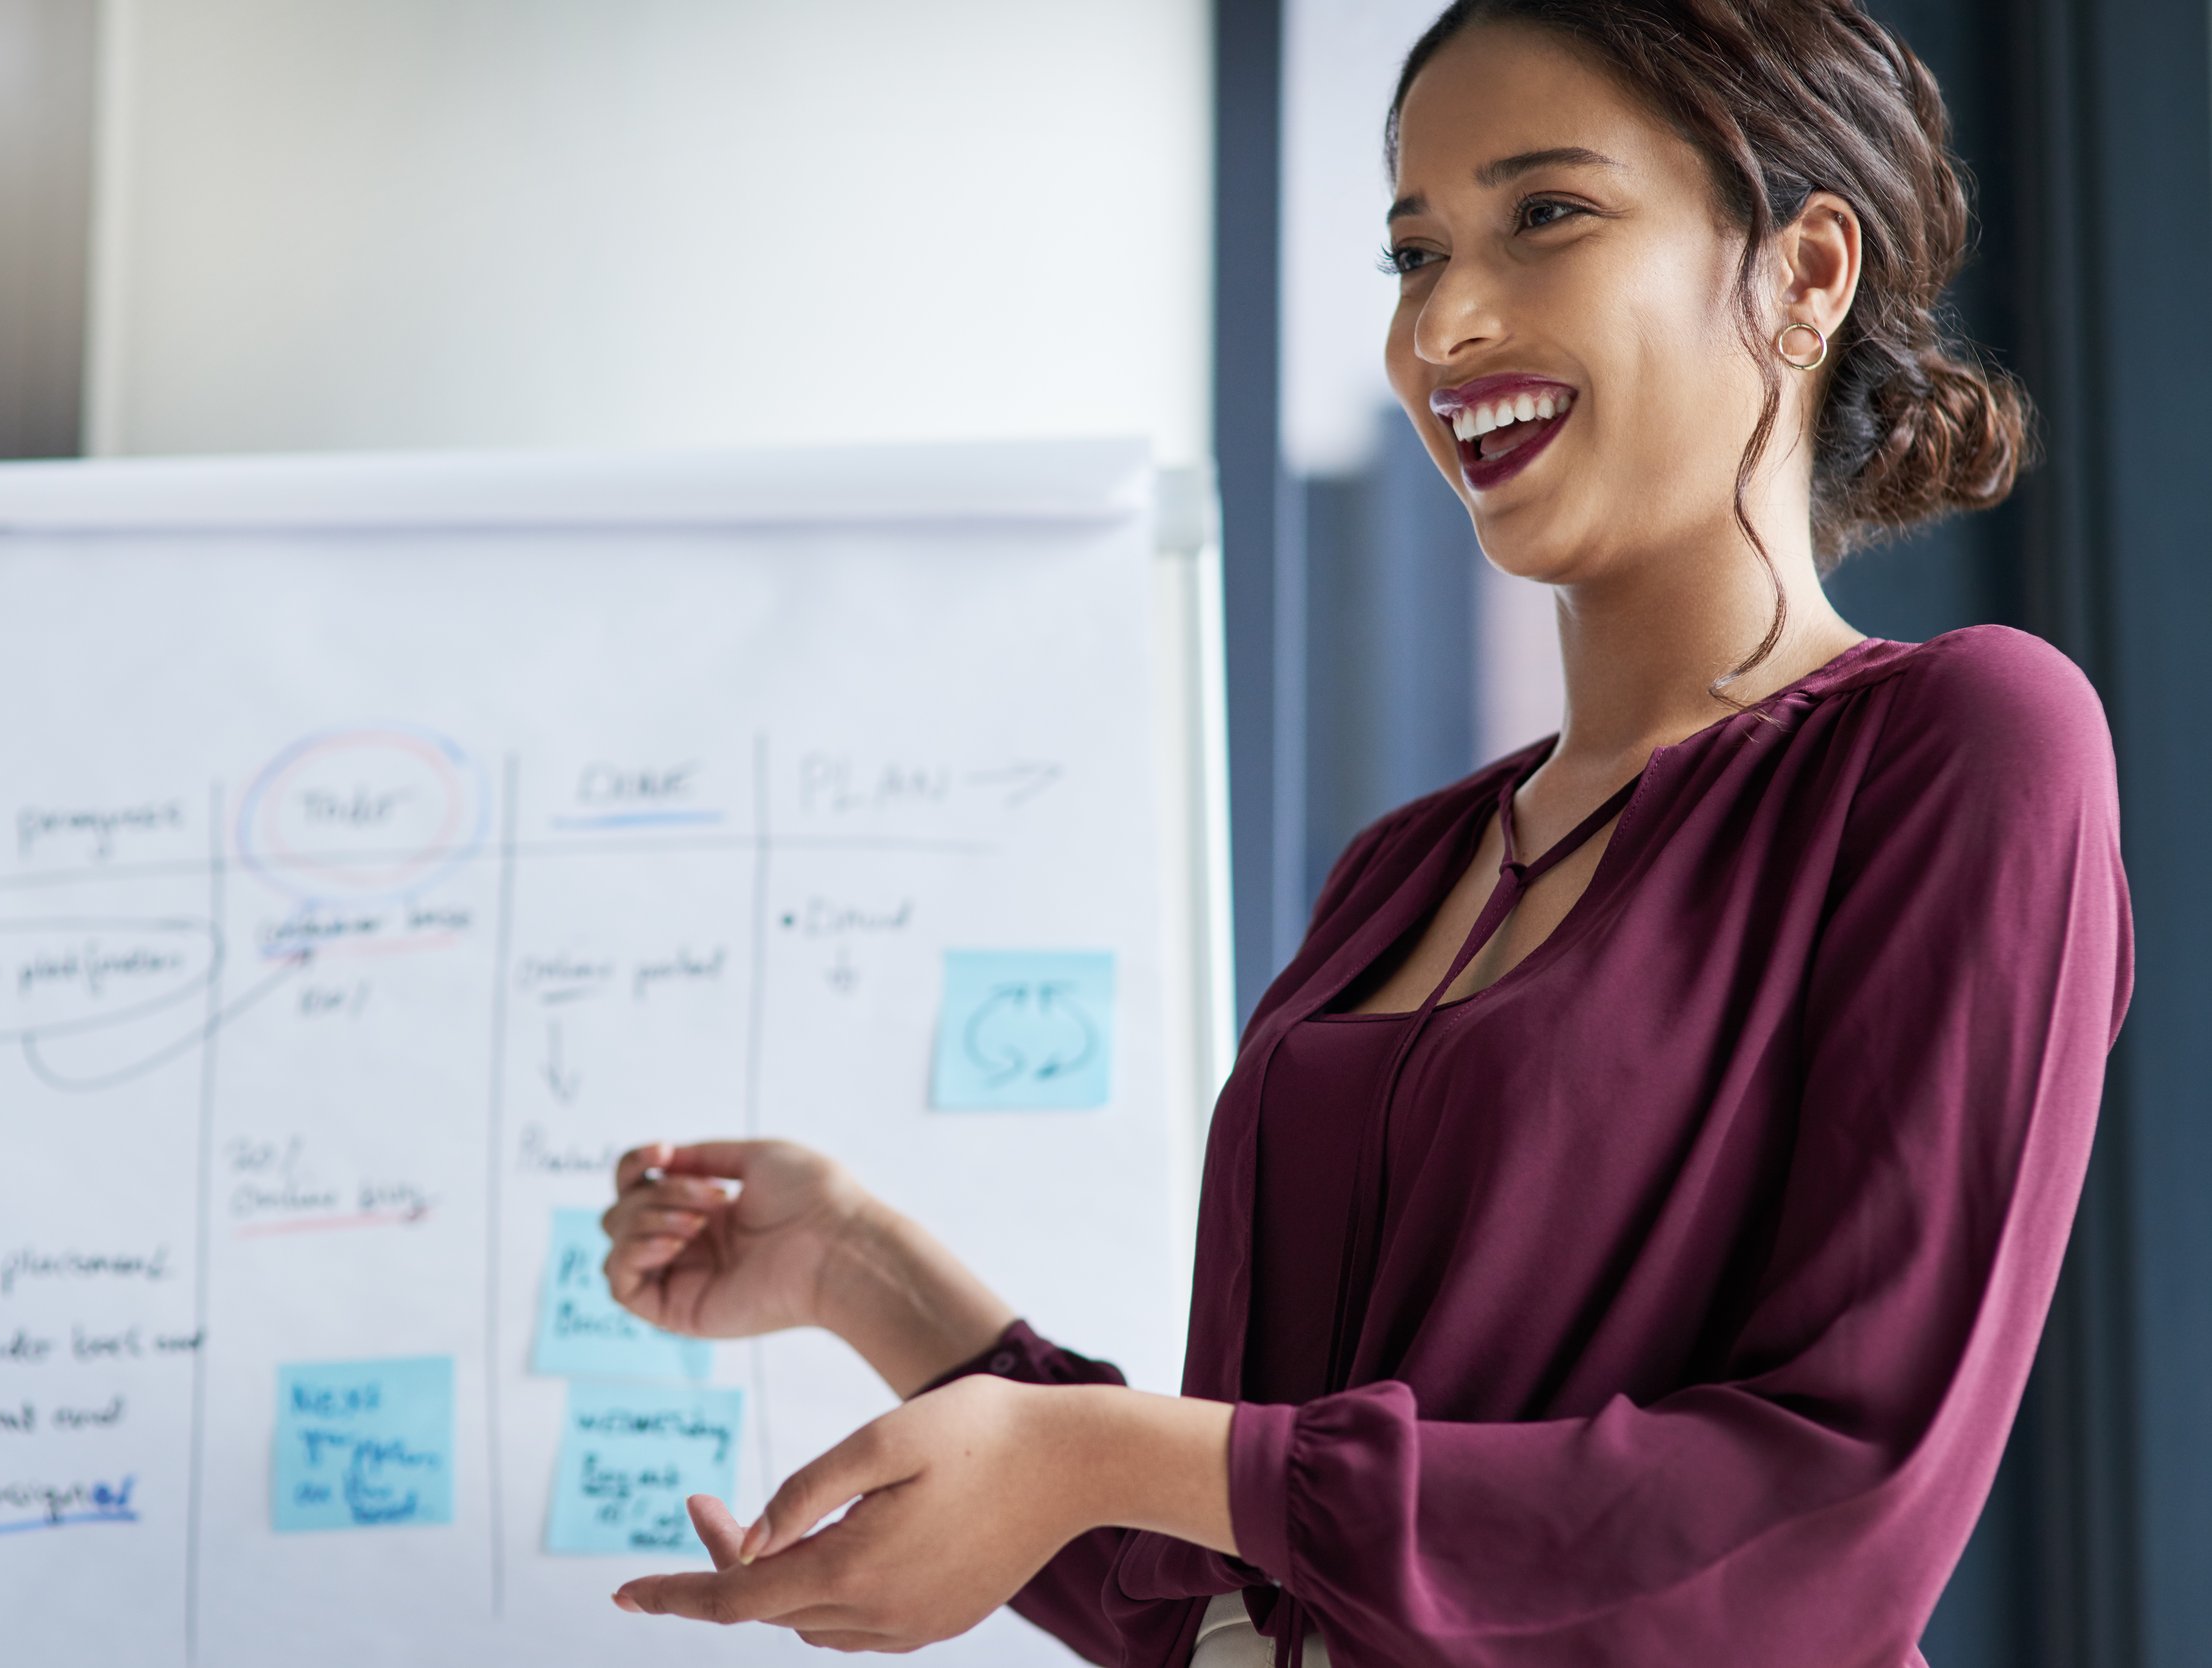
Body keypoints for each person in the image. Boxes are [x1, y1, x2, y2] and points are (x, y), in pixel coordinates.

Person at [596, 1, 2136, 1662]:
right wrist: (855, 1268)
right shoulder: (1402, 873)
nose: (1446, 325)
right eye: (1414, 253)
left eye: (1547, 216)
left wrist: (1095, 1453)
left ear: (1806, 272)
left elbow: (1823, 1526)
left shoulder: (1961, 743)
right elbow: (1232, 1581)